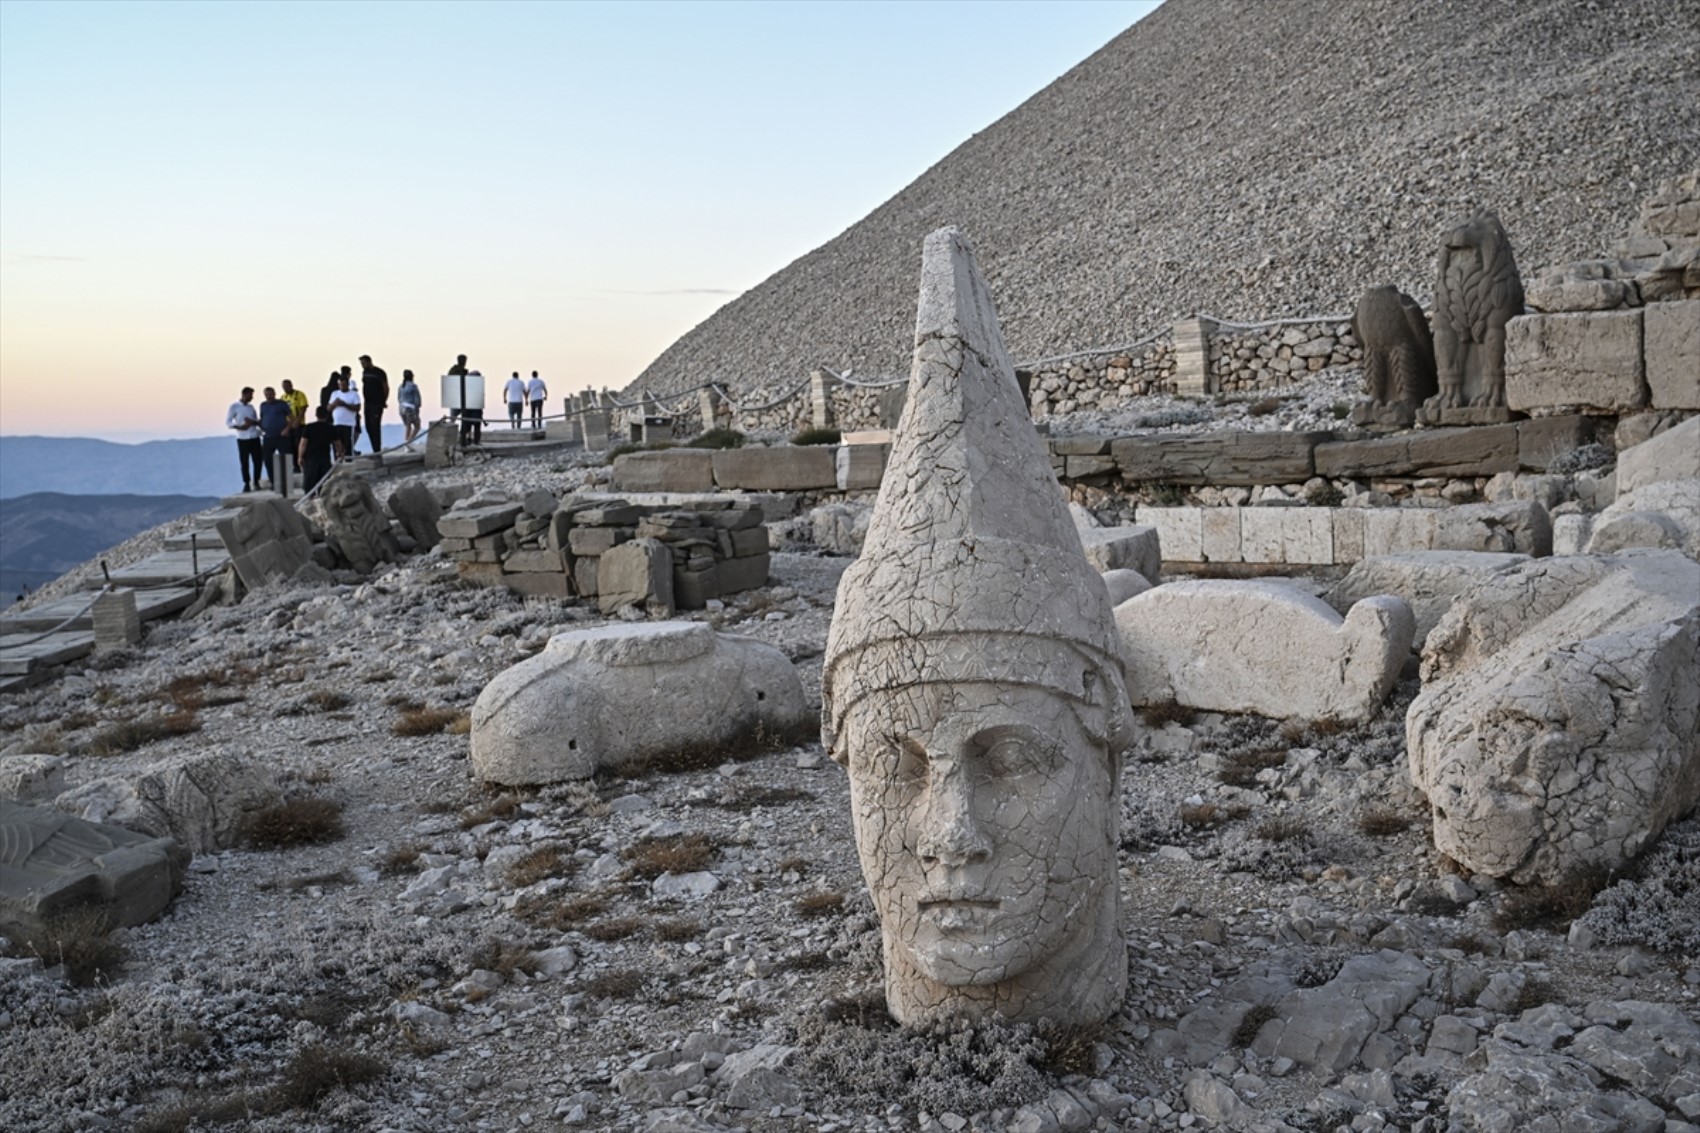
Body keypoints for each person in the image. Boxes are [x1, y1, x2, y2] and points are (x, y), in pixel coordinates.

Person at [297, 404, 345, 494]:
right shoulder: (331, 428)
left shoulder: (309, 427)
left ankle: (309, 500)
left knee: (309, 483)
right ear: (327, 415)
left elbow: (303, 444)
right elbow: (338, 443)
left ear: (316, 415)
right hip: (324, 458)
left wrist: (300, 457)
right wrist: (339, 453)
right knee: (324, 483)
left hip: (310, 458)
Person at [226, 387, 263, 492]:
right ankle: (246, 482)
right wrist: (241, 427)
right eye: (250, 395)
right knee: (244, 461)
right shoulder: (234, 407)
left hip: (254, 437)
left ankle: (256, 481)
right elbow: (228, 422)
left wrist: (253, 422)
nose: (252, 397)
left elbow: (256, 421)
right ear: (245, 394)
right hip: (242, 438)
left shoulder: (251, 407)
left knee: (258, 460)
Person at [257, 386, 292, 489]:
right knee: (268, 460)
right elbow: (263, 418)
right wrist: (261, 426)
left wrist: (287, 429)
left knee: (285, 459)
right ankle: (274, 483)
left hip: (281, 436)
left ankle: (287, 482)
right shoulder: (263, 405)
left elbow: (291, 418)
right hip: (268, 436)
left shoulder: (281, 404)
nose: (268, 396)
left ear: (274, 393)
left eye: (270, 394)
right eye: (266, 394)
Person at [359, 354, 389, 455]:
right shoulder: (365, 373)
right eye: (361, 363)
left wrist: (383, 401)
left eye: (363, 363)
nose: (362, 365)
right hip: (367, 403)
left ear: (368, 362)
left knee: (375, 426)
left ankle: (377, 450)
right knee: (368, 427)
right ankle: (374, 449)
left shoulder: (379, 372)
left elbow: (385, 387)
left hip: (377, 404)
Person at [329, 373, 361, 457]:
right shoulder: (334, 394)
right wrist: (334, 404)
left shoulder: (354, 394)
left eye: (343, 385)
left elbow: (357, 408)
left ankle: (349, 459)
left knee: (348, 444)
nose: (341, 386)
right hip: (337, 423)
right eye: (340, 385)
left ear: (347, 384)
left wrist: (344, 404)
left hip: (348, 423)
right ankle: (338, 460)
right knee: (337, 442)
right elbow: (328, 408)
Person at [397, 369, 423, 446]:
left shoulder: (401, 386)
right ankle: (408, 443)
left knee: (408, 426)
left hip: (402, 408)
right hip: (410, 408)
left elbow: (399, 398)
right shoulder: (413, 386)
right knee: (417, 427)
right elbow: (417, 400)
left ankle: (406, 442)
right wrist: (417, 409)